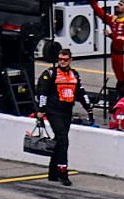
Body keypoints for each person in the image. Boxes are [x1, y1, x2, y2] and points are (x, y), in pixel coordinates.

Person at [35, 48, 85, 185]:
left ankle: (52, 172)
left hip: (67, 111)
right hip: (53, 111)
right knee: (63, 139)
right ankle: (63, 171)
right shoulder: (50, 73)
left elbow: (81, 92)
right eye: (60, 59)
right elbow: (42, 92)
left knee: (59, 140)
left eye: (65, 60)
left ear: (70, 60)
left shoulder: (74, 74)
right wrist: (41, 110)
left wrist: (89, 109)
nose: (62, 62)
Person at [88, 0, 124, 88]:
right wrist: (93, 2)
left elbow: (123, 40)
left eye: (121, 5)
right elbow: (100, 13)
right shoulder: (114, 19)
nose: (118, 6)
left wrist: (110, 35)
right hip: (115, 54)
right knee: (119, 79)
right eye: (118, 4)